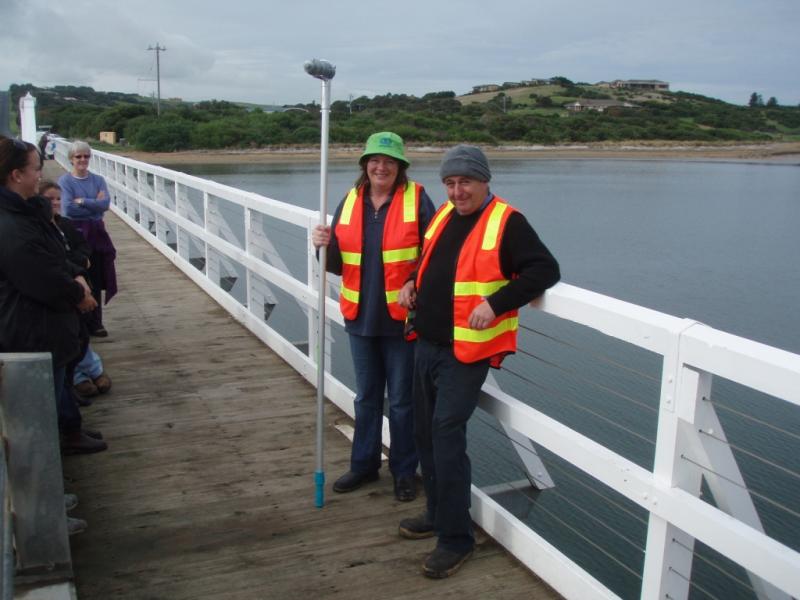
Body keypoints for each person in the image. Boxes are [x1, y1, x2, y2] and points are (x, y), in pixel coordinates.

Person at [396, 145, 560, 578]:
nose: (456, 190)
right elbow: (429, 260)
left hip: (465, 352)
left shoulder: (508, 222)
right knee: (424, 434)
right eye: (449, 183)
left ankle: (456, 539)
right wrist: (412, 280)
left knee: (446, 437)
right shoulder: (445, 215)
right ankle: (436, 512)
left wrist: (497, 302)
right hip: (426, 342)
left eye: (464, 181)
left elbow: (544, 271)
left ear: (484, 180)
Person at [311, 132, 435, 502]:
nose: (381, 167)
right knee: (366, 397)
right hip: (360, 318)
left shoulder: (417, 200)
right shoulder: (350, 200)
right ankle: (363, 465)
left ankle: (403, 470)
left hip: (401, 320)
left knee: (400, 401)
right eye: (375, 161)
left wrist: (414, 280)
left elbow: (433, 253)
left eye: (390, 162)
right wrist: (321, 244)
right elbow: (334, 265)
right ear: (365, 164)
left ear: (401, 168)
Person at [0, 137, 102, 452]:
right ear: (16, 175)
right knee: (38, 415)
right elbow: (40, 277)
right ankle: (46, 491)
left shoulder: (27, 213)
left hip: (45, 327)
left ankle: (68, 432)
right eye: (36, 168)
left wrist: (74, 272)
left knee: (54, 391)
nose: (39, 174)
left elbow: (56, 255)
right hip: (32, 330)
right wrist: (77, 292)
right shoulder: (13, 225)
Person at [40, 181, 112, 405]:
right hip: (64, 288)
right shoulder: (40, 229)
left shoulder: (66, 226)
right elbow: (54, 259)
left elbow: (82, 246)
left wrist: (80, 261)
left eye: (58, 199)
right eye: (49, 199)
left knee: (80, 333)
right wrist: (94, 205)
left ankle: (92, 371)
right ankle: (82, 377)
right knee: (73, 335)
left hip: (78, 280)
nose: (55, 203)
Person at [58, 140, 117, 337]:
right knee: (83, 274)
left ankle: (97, 322)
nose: (83, 160)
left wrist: (82, 201)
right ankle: (82, 321)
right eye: (78, 156)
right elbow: (68, 208)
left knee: (98, 276)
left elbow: (106, 204)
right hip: (76, 232)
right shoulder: (65, 182)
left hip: (97, 233)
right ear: (71, 159)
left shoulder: (98, 179)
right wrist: (95, 203)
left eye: (86, 156)